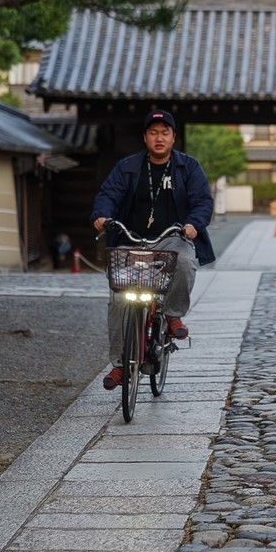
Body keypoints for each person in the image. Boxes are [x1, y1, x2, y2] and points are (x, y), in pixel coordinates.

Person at [91, 109, 216, 390]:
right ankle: (120, 365)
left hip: (171, 237)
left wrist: (193, 224)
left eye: (165, 132)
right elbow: (108, 195)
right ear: (145, 137)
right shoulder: (127, 167)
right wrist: (101, 216)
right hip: (131, 238)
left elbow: (202, 202)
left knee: (185, 262)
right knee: (119, 298)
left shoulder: (189, 167)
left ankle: (172, 315)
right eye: (153, 132)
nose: (159, 138)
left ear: (173, 137)